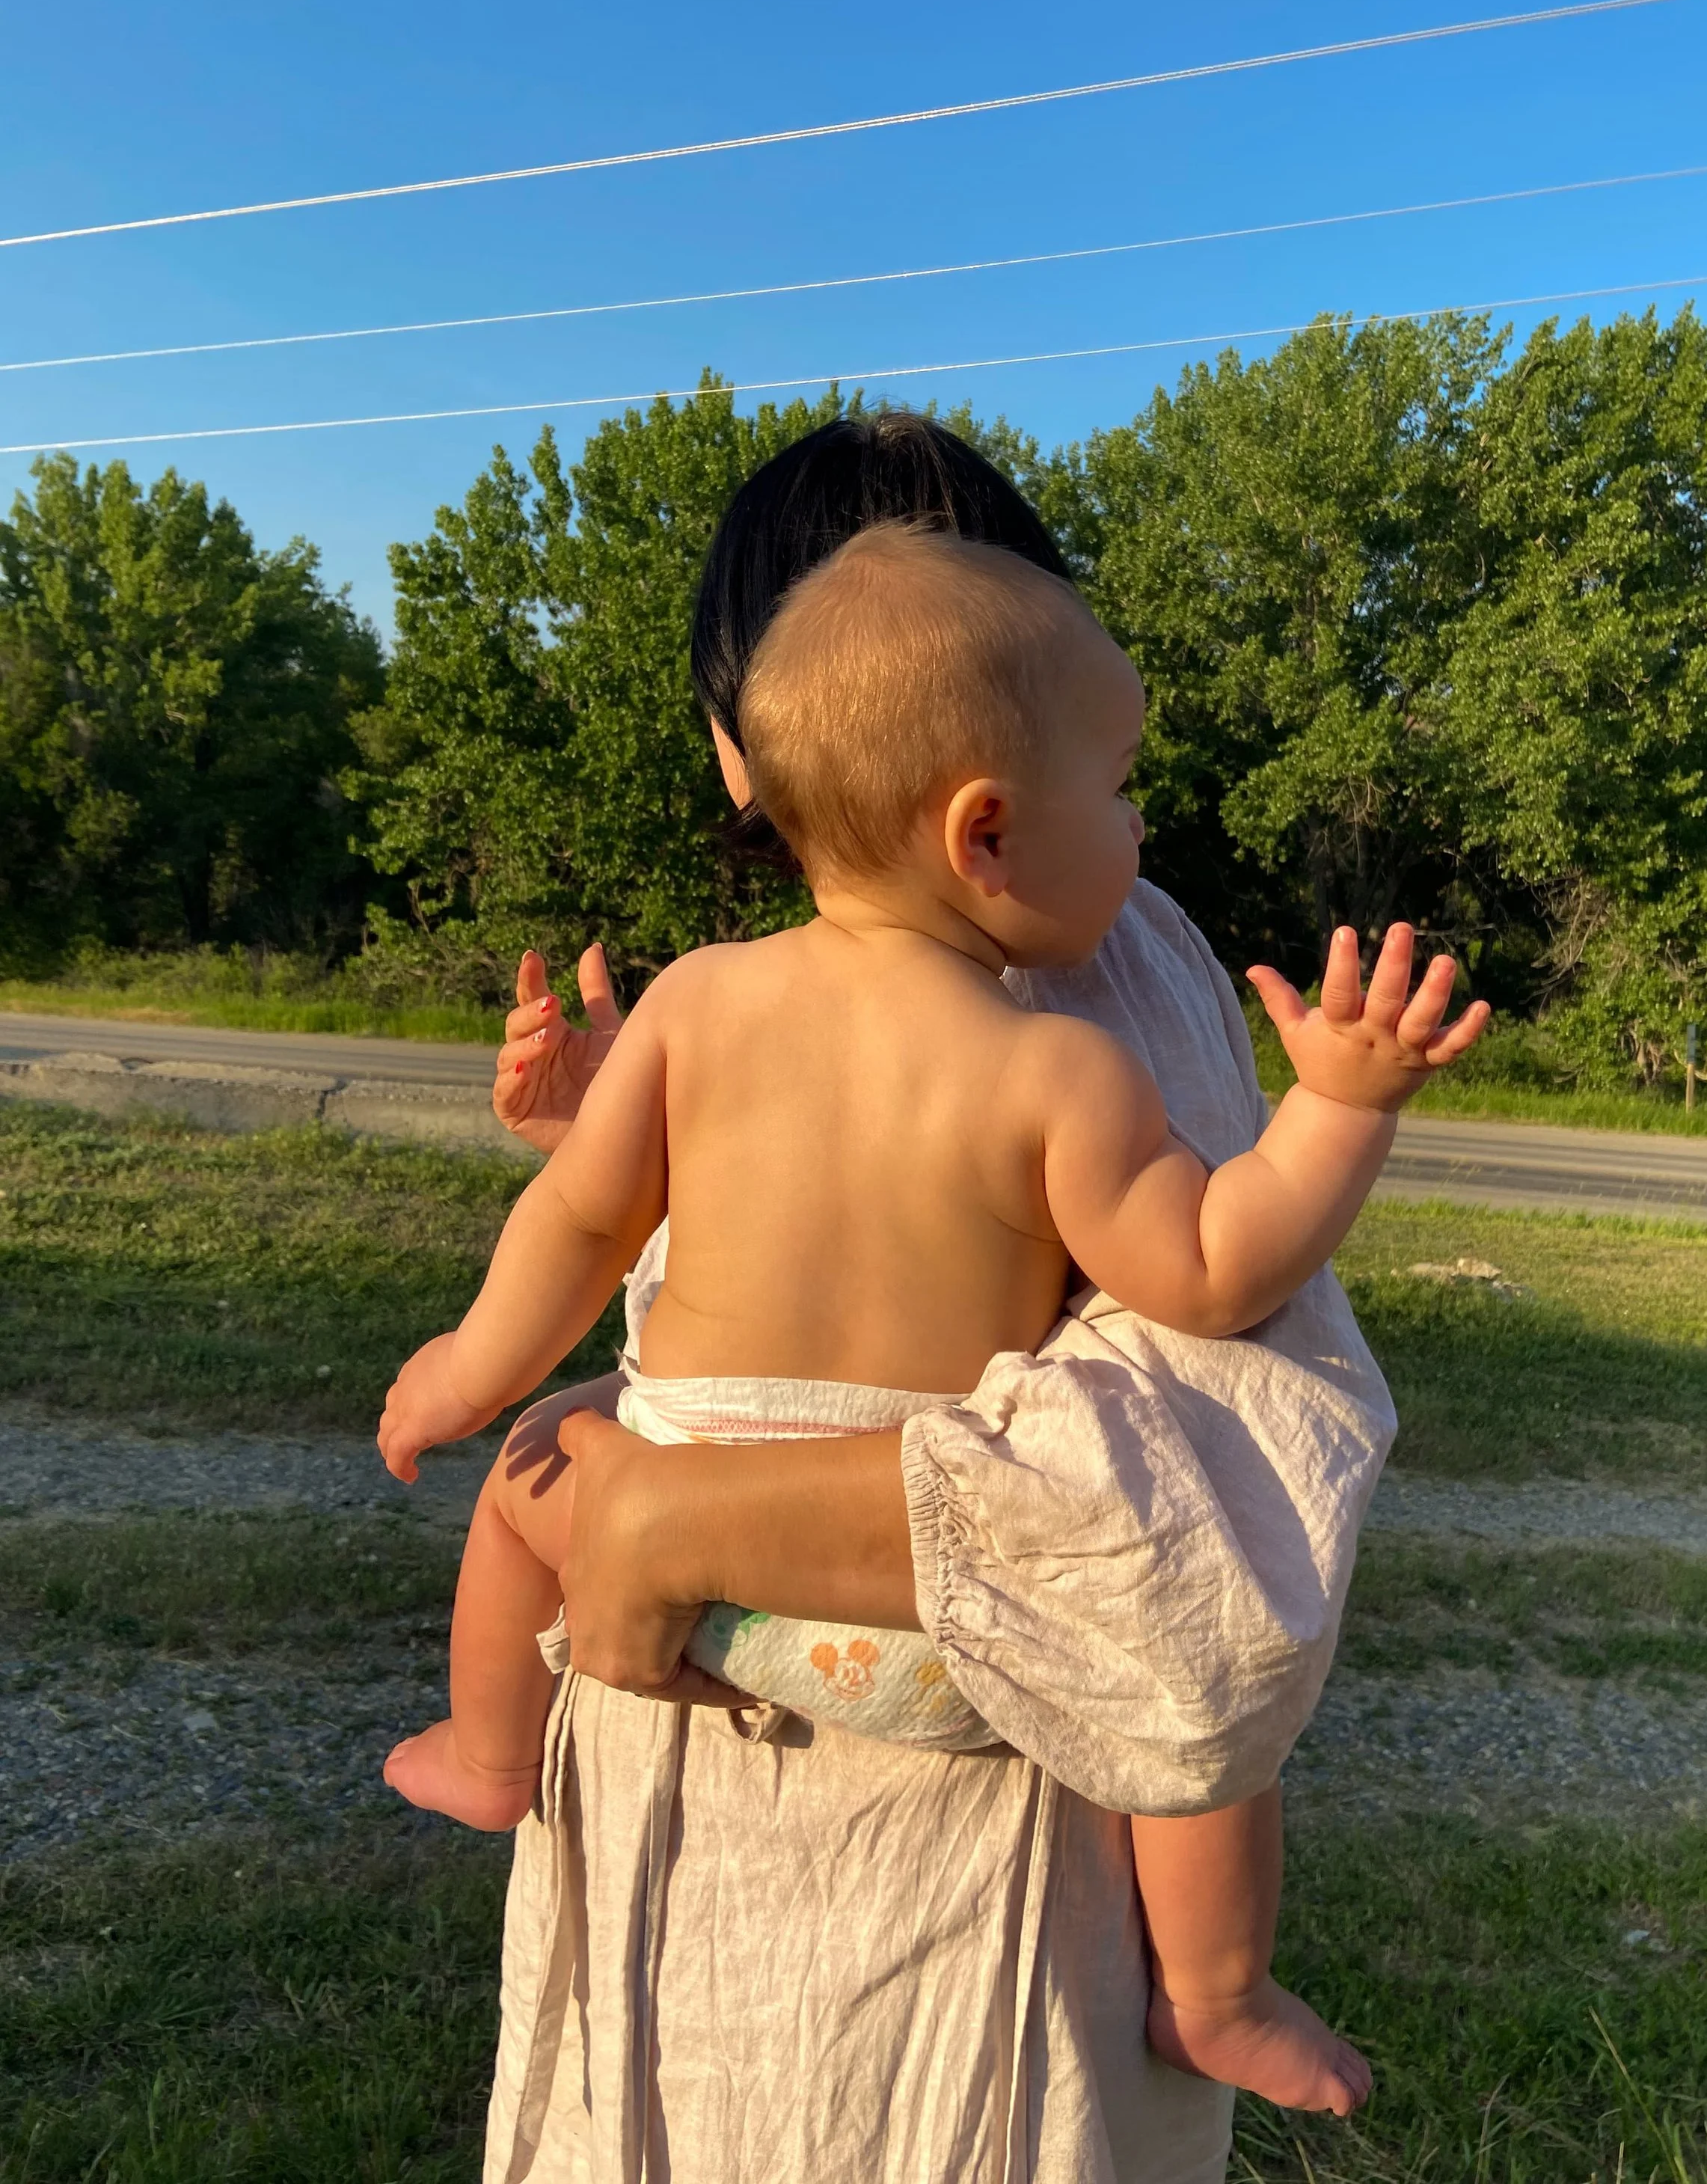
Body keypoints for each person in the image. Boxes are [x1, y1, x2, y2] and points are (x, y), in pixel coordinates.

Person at [379, 527, 1486, 2112]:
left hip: (687, 1586)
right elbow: (1212, 1272)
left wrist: (466, 1373)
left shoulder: (695, 1001)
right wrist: (1337, 1110)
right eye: (1115, 788)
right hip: (923, 1624)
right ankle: (1220, 1988)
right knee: (1188, 1728)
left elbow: (576, 1225)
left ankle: (490, 1752)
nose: (1139, 823)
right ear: (983, 833)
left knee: (535, 1471)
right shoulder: (1056, 1076)